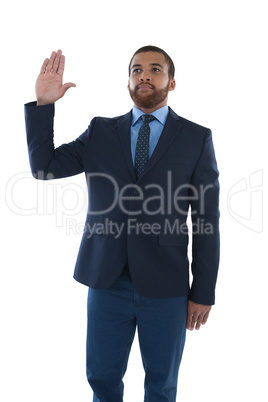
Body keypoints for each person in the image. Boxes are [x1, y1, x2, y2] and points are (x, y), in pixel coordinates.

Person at [24, 46, 220, 402]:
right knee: (102, 379)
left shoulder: (196, 138)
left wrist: (203, 290)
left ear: (171, 82)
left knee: (161, 385)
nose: (144, 75)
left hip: (167, 286)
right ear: (128, 82)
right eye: (136, 69)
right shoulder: (101, 131)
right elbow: (43, 167)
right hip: (106, 281)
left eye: (155, 69)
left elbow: (206, 219)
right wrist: (43, 106)